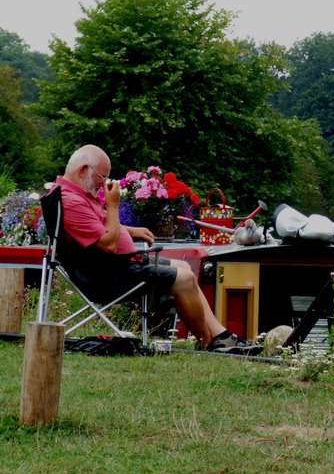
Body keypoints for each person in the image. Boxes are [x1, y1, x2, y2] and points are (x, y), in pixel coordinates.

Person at [53, 145, 259, 353]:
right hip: (104, 276)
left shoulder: (73, 195)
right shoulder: (71, 201)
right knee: (184, 279)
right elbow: (107, 244)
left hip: (109, 267)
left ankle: (219, 335)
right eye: (102, 177)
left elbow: (94, 228)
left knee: (183, 266)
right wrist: (113, 206)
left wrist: (129, 230)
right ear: (82, 171)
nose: (104, 183)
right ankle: (207, 342)